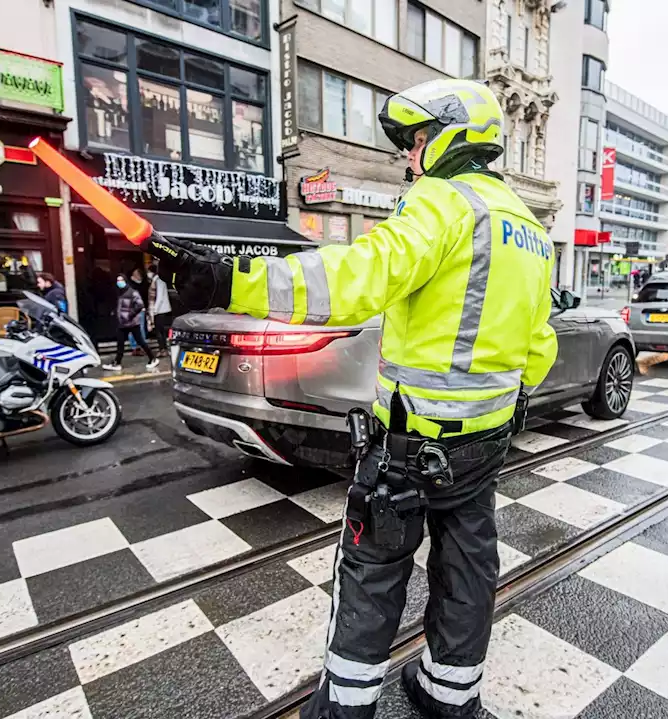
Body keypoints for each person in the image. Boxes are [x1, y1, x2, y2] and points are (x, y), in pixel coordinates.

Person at [156, 79, 556, 719]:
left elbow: (354, 278)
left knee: (372, 571)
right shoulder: (530, 229)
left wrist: (230, 278)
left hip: (409, 443)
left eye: (417, 140)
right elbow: (539, 345)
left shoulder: (442, 204)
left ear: (451, 138)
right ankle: (448, 698)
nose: (409, 156)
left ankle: (343, 710)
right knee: (468, 569)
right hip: (484, 443)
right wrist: (503, 400)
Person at [102, 274, 158, 372]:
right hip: (122, 323)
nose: (119, 282)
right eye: (118, 280)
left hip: (132, 323)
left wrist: (130, 315)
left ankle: (153, 358)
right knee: (120, 344)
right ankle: (117, 362)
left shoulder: (132, 292)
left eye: (121, 280)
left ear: (125, 281)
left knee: (140, 341)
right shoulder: (120, 292)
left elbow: (140, 305)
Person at [146, 262, 175, 357]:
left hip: (160, 310)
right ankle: (163, 348)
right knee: (160, 331)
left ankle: (163, 349)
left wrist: (155, 310)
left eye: (148, 271)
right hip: (159, 309)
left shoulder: (159, 280)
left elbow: (160, 297)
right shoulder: (155, 280)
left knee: (159, 331)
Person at [126, 267, 149, 357]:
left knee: (141, 328)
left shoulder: (143, 284)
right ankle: (135, 347)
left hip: (141, 309)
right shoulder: (130, 284)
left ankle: (140, 346)